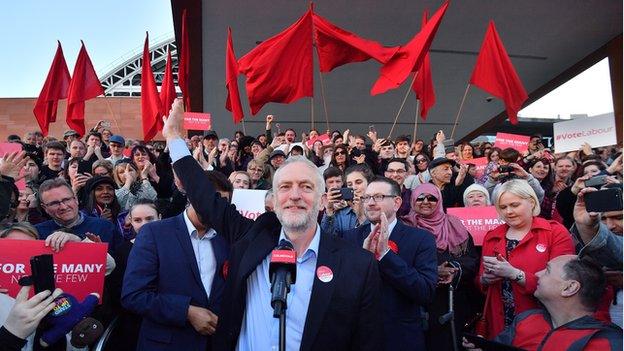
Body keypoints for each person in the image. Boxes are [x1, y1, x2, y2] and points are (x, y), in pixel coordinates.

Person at [164, 98, 382, 350]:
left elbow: (368, 341)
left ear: (323, 201)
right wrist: (173, 139)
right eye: (285, 187)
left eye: (306, 187)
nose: (295, 195)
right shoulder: (251, 237)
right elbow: (204, 197)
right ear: (275, 200)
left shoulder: (356, 264)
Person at [122, 195, 230, 350]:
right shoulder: (154, 232)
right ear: (193, 196)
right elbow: (134, 295)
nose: (218, 207)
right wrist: (186, 311)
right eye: (213, 199)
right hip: (166, 344)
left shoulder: (225, 237)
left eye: (224, 203)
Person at [342, 177, 437, 350]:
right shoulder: (349, 237)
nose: (370, 203)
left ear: (397, 202)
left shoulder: (421, 239)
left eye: (378, 197)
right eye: (367, 197)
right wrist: (364, 260)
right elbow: (341, 290)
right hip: (358, 338)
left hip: (401, 338)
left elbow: (425, 291)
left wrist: (385, 255)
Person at [477, 179, 575, 338]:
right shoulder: (492, 236)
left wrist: (515, 274)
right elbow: (480, 281)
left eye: (514, 205)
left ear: (531, 202)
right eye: (503, 207)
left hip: (542, 324)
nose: (508, 211)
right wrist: (485, 280)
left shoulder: (555, 232)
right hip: (499, 325)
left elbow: (562, 285)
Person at [466, 255, 622, 350]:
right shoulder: (525, 320)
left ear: (569, 287)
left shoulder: (606, 341)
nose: (537, 274)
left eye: (547, 270)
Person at [402, 183, 479, 350]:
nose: (425, 202)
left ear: (439, 200)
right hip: (416, 299)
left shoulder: (454, 224)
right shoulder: (404, 226)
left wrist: (453, 269)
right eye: (420, 198)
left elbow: (471, 259)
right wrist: (431, 272)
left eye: (431, 198)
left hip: (448, 299)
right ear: (413, 200)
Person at [34, 178, 122, 255]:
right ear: (45, 208)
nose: (63, 207)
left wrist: (82, 242)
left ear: (75, 199)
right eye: (54, 203)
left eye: (67, 200)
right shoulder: (37, 233)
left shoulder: (105, 227)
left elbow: (119, 265)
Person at [321, 164, 374, 237]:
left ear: (369, 183)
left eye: (358, 182)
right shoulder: (341, 213)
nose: (354, 187)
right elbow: (326, 239)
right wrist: (329, 211)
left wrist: (361, 216)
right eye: (349, 184)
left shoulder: (379, 208)